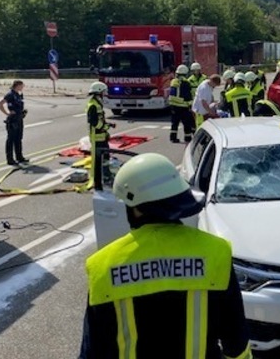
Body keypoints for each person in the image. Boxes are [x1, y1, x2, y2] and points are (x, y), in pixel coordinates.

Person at [79, 153, 252, 359]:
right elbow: (236, 343)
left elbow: (93, 352)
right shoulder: (216, 252)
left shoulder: (103, 266)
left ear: (137, 210)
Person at [87, 81, 116, 190]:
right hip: (97, 138)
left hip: (101, 137)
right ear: (99, 92)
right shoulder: (93, 105)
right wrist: (105, 127)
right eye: (103, 92)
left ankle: (106, 176)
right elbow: (94, 122)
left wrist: (109, 125)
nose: (105, 94)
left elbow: (100, 120)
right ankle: (98, 183)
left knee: (106, 158)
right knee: (98, 161)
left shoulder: (97, 103)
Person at [0, 80, 29, 166]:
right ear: (17, 85)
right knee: (11, 139)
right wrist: (7, 113)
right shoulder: (10, 95)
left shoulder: (18, 94)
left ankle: (19, 157)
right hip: (12, 120)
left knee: (18, 139)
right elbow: (0, 104)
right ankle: (10, 159)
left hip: (19, 119)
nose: (23, 87)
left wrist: (23, 112)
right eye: (22, 85)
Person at [168, 64, 195, 143]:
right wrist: (190, 104)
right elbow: (188, 95)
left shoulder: (173, 81)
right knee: (187, 123)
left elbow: (172, 94)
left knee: (174, 123)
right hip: (183, 106)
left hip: (173, 106)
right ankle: (187, 138)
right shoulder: (186, 82)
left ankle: (173, 138)